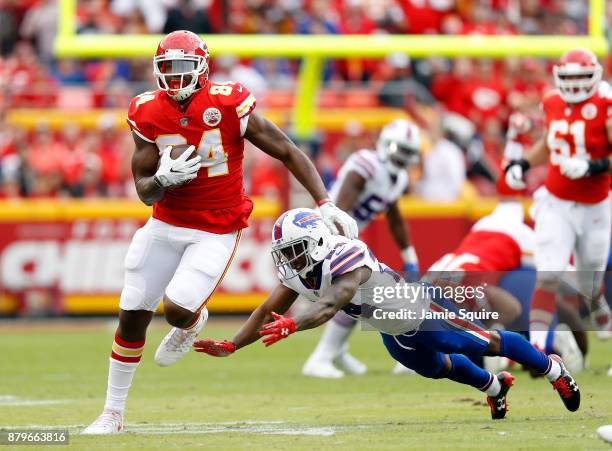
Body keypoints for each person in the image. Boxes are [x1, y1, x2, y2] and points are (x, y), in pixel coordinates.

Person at [82, 30, 357, 435]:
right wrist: (161, 178)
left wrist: (325, 202)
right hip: (165, 222)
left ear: (202, 68)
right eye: (167, 69)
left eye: (182, 68)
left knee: (176, 309)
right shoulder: (145, 111)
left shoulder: (228, 102)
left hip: (216, 228)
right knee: (132, 313)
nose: (174, 78)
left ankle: (192, 321)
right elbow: (143, 191)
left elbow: (286, 150)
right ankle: (112, 413)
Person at [194, 208, 581, 420]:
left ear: (316, 242)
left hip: (422, 310)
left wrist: (295, 323)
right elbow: (265, 309)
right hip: (392, 332)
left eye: (295, 250)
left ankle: (553, 370)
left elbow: (334, 301)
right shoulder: (303, 273)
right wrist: (232, 344)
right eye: (285, 253)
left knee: (488, 341)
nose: (289, 260)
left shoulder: (348, 254)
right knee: (438, 368)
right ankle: (496, 388)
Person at [505, 48, 612, 353]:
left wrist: (592, 166)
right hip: (556, 200)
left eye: (582, 77)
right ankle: (538, 350)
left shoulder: (606, 104)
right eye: (569, 78)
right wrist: (523, 164)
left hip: (595, 204)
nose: (575, 84)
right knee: (548, 272)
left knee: (590, 277)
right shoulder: (552, 101)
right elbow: (549, 142)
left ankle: (594, 299)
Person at [301, 119, 422, 378]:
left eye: (407, 153)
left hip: (344, 238)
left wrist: (409, 256)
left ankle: (337, 352)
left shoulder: (398, 178)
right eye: (398, 150)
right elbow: (341, 209)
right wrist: (349, 247)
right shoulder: (366, 163)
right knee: (362, 295)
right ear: (385, 144)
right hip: (326, 233)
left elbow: (395, 218)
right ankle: (322, 357)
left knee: (361, 298)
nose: (401, 157)